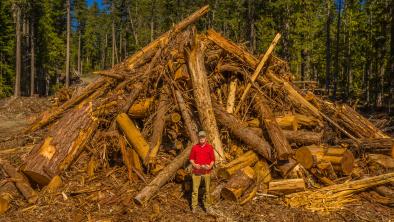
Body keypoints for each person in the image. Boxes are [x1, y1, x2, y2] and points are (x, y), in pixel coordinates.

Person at [189, 130, 215, 213]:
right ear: (198, 138)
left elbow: (213, 160)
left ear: (206, 138)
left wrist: (210, 166)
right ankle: (194, 206)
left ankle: (207, 207)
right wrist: (194, 165)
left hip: (207, 173)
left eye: (203, 137)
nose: (202, 138)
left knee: (207, 191)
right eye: (200, 137)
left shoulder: (210, 147)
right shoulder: (194, 147)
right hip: (197, 172)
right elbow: (191, 159)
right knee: (195, 191)